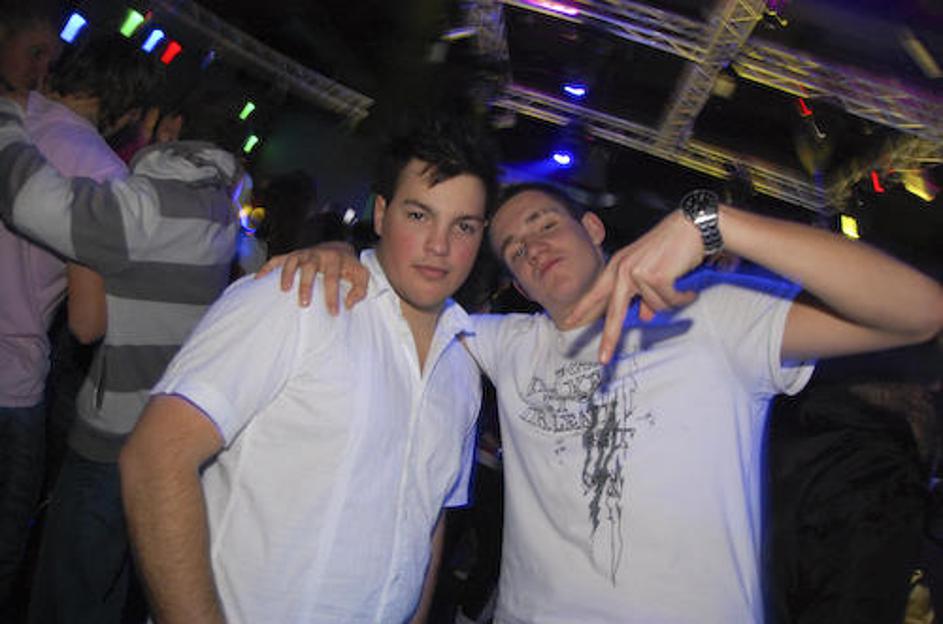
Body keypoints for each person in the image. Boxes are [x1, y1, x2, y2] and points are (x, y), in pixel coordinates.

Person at [272, 181, 943, 622]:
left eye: (544, 225)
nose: (532, 248)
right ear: (520, 287)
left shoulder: (709, 311)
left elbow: (919, 313)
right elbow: (401, 299)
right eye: (514, 250)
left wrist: (716, 225)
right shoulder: (506, 343)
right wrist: (341, 249)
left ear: (592, 227)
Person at [117, 117, 499, 623]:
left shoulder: (462, 368)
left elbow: (427, 522)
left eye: (463, 226)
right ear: (381, 213)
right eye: (418, 215)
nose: (439, 245)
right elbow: (154, 459)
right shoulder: (295, 299)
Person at [0, 68, 239, 621]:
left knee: (65, 600)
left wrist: (8, 116)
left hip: (111, 444)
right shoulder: (223, 217)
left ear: (168, 126)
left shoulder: (146, 208)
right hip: (168, 441)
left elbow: (28, 201)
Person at [0, 20, 160, 619]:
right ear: (128, 110)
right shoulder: (102, 175)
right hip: (10, 383)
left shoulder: (11, 114)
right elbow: (88, 323)